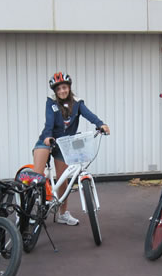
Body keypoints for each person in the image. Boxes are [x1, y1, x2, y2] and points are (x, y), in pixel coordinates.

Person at [33, 72, 110, 226]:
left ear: (69, 87)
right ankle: (28, 210)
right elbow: (49, 123)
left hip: (64, 144)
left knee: (63, 180)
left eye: (64, 87)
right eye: (59, 89)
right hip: (47, 141)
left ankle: (63, 214)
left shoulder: (77, 104)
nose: (62, 91)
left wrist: (100, 124)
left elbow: (90, 115)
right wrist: (48, 137)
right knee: (37, 177)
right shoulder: (51, 103)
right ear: (55, 91)